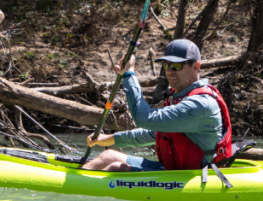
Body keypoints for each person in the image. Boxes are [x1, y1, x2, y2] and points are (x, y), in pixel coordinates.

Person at [82, 39, 232, 172]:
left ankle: (78, 191)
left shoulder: (199, 104)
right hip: (174, 170)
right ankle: (74, 181)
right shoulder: (180, 97)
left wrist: (128, 75)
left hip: (195, 176)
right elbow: (156, 133)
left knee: (116, 168)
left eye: (177, 65)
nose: (170, 70)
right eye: (167, 65)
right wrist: (110, 139)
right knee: (109, 155)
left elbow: (143, 119)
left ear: (195, 66)